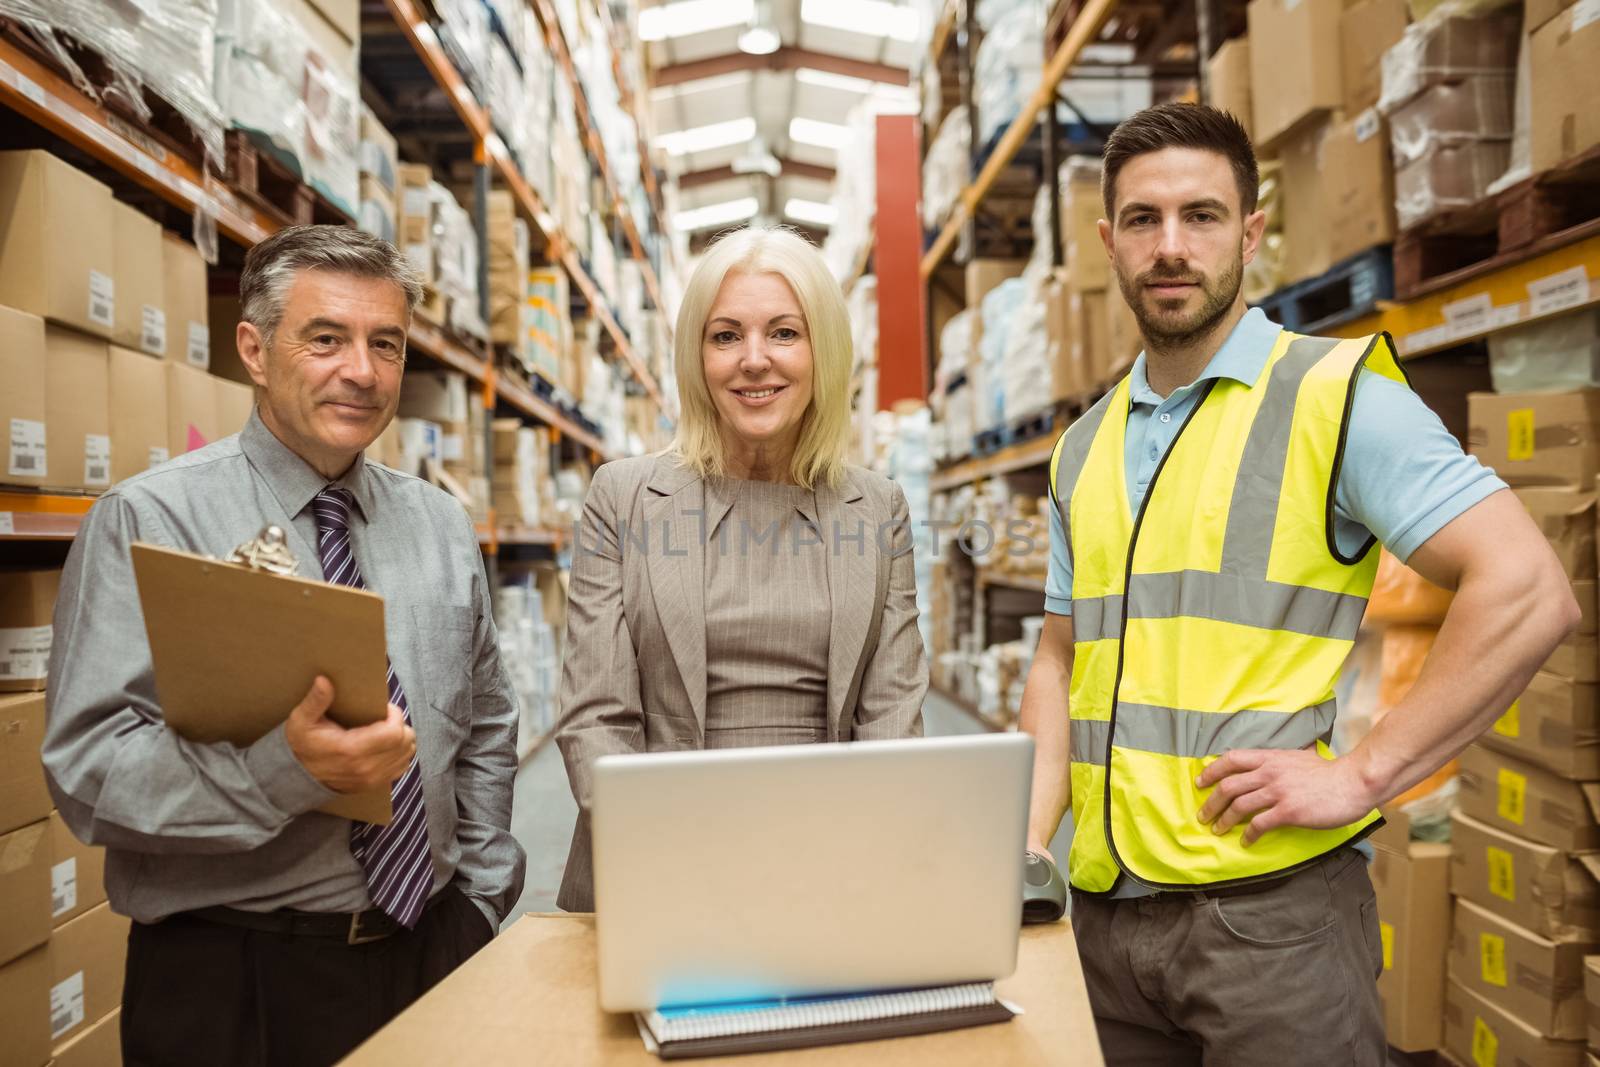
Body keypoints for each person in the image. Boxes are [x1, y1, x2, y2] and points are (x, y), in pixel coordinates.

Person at [1018, 103, 1578, 1065]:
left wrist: (1362, 774)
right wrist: (1027, 855)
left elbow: (1528, 586)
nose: (1171, 247)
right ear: (1108, 241)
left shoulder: (1334, 394)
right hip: (1103, 928)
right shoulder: (1083, 447)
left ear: (1251, 231)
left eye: (1201, 216)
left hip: (1269, 930)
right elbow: (1061, 659)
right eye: (1145, 221)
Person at [42, 224, 526, 1066]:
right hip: (235, 981)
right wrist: (285, 772)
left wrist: (479, 902)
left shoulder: (440, 524)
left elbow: (486, 722)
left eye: (386, 344)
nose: (363, 372)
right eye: (327, 338)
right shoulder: (151, 521)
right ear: (255, 350)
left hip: (429, 953)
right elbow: (89, 768)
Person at [555, 226, 927, 912]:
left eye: (784, 333)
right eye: (725, 336)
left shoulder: (878, 507)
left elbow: (892, 717)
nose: (754, 360)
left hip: (831, 867)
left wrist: (851, 857)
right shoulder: (624, 497)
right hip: (653, 866)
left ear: (824, 352)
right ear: (697, 358)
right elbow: (595, 717)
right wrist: (680, 858)